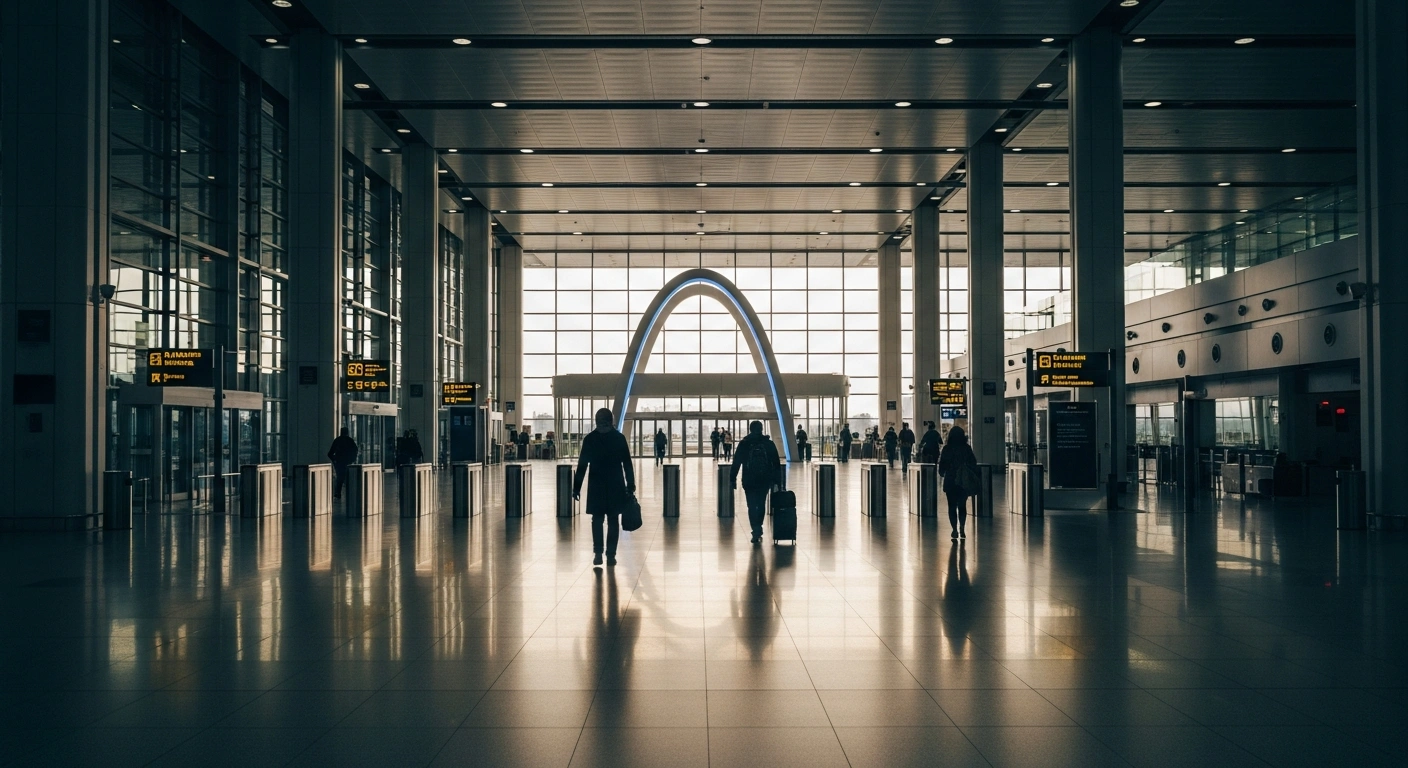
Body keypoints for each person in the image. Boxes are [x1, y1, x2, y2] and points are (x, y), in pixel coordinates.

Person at [573, 408, 636, 566]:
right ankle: (611, 555)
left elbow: (582, 465)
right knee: (613, 520)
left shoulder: (590, 439)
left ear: (596, 420)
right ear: (611, 420)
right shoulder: (619, 438)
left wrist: (576, 487)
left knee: (597, 519)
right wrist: (631, 484)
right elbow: (627, 464)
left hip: (596, 485)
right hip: (616, 485)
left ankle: (598, 553)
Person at [730, 420, 782, 545]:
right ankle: (759, 526)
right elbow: (776, 463)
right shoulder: (768, 443)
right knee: (761, 503)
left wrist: (732, 478)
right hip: (764, 479)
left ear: (750, 429)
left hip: (749, 480)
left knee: (751, 505)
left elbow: (736, 462)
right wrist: (778, 481)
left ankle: (756, 529)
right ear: (761, 429)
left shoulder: (744, 444)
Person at [939, 426, 978, 539]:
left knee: (951, 506)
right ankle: (962, 527)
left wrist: (942, 472)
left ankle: (954, 530)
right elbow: (973, 463)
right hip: (963, 481)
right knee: (962, 505)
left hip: (950, 480)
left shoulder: (947, 449)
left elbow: (942, 465)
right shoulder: (966, 448)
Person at [327, 427, 358, 499]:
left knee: (340, 477)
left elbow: (330, 453)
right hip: (348, 462)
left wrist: (335, 460)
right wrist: (353, 459)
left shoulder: (337, 440)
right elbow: (355, 450)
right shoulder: (350, 441)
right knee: (348, 477)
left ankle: (338, 493)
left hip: (339, 462)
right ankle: (350, 492)